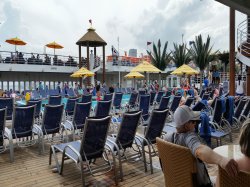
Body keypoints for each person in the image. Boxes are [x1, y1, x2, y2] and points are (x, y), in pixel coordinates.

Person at [164, 105, 239, 187]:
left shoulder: (167, 138)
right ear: (186, 126)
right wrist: (221, 160)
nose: (195, 123)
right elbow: (199, 150)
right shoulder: (189, 137)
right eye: (193, 121)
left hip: (179, 182)